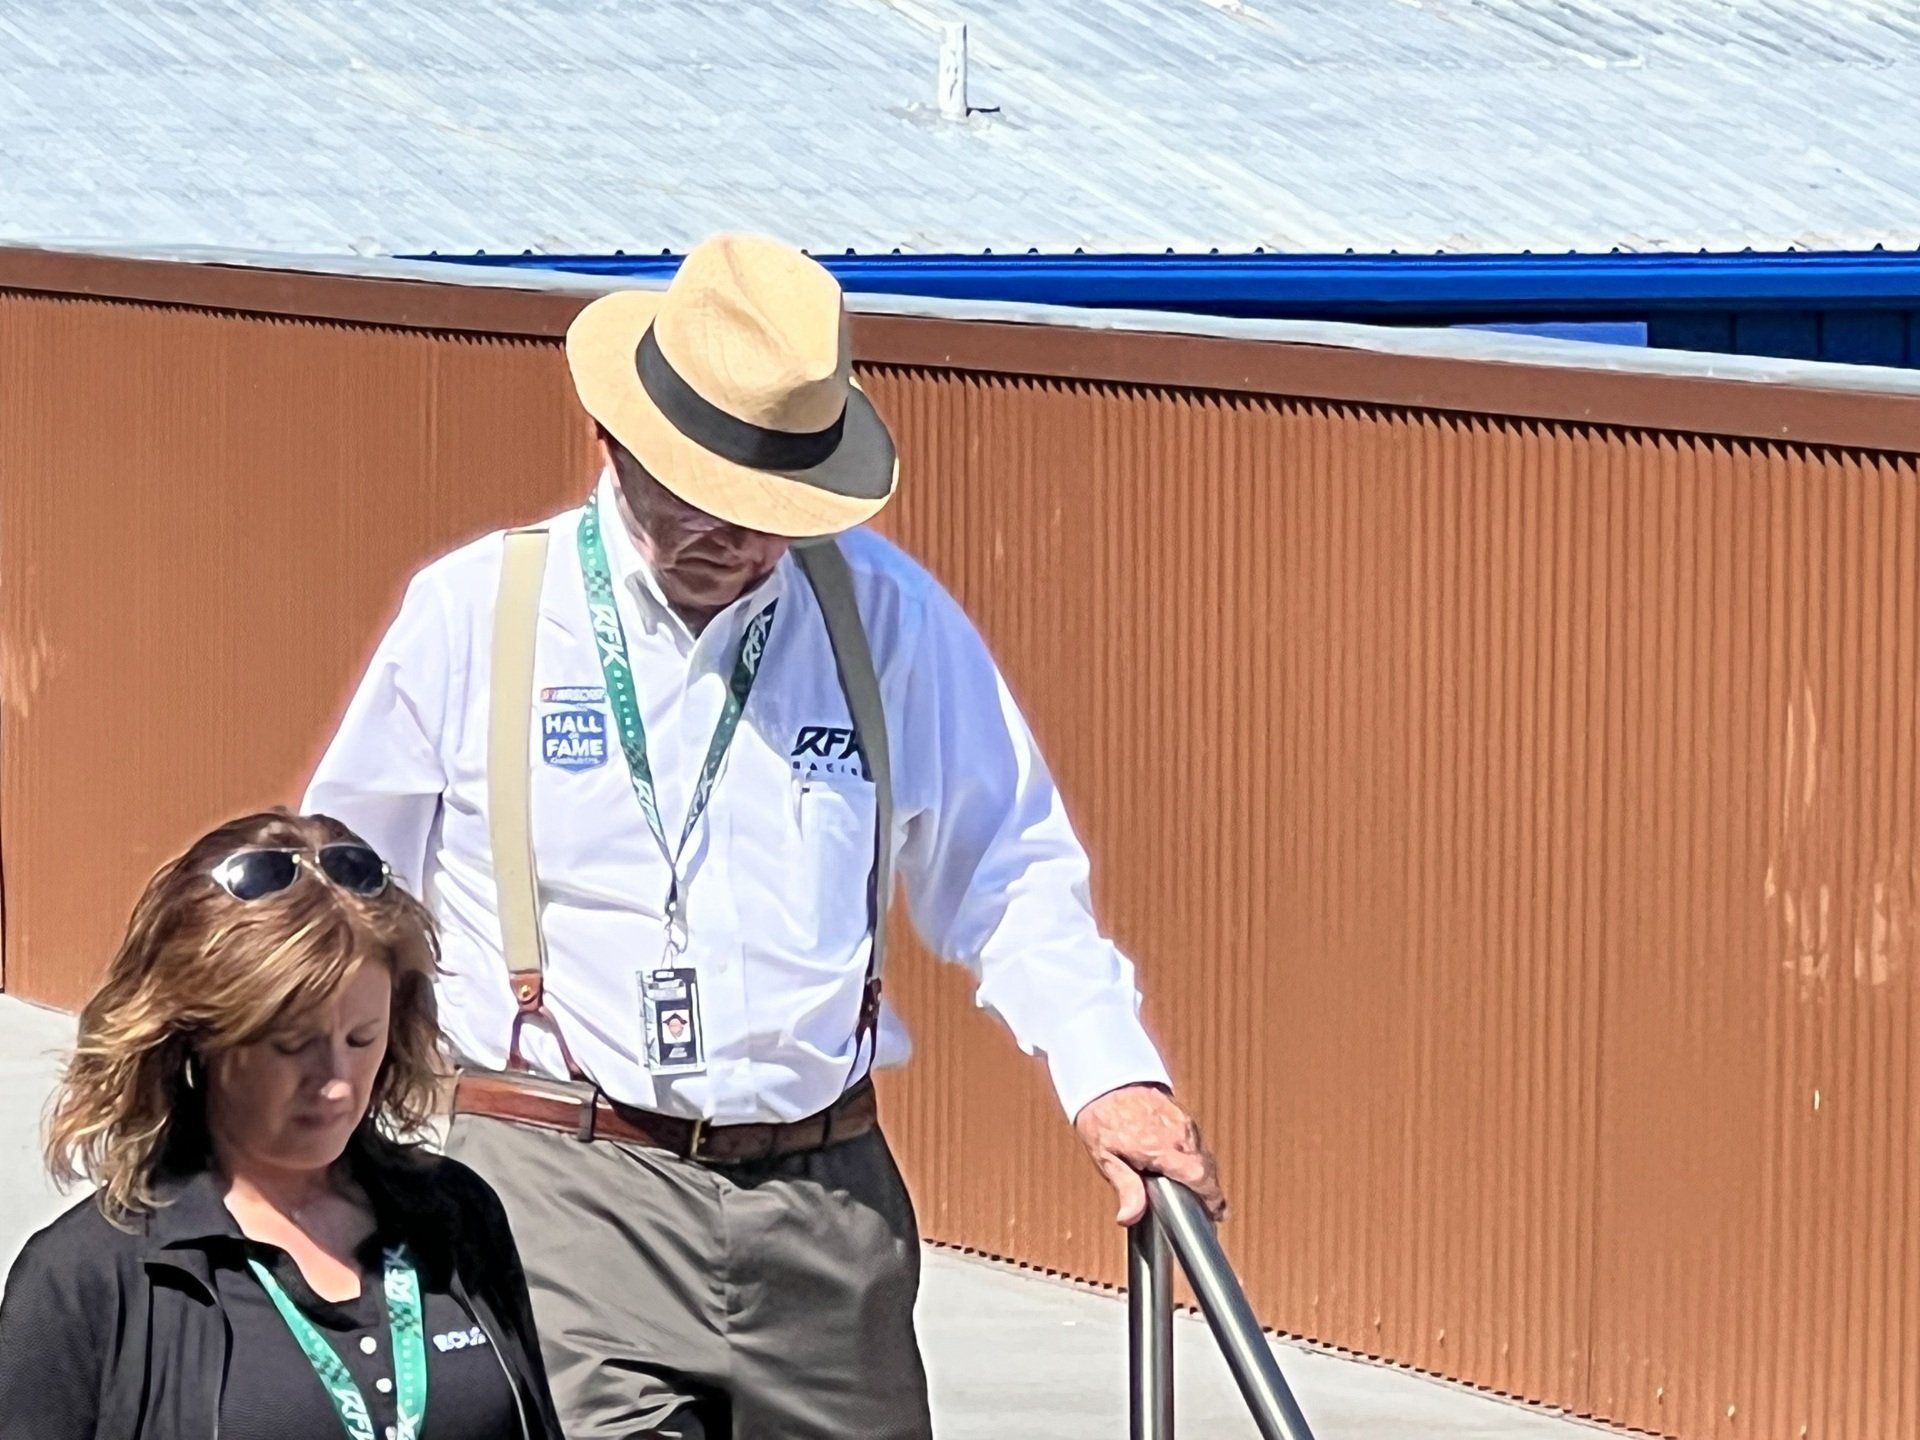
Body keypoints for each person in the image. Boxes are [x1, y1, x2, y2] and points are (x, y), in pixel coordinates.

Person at [302, 231, 1225, 1439]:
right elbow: (339, 900)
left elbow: (1007, 870)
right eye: (700, 492)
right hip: (556, 1177)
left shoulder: (885, 619)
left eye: (770, 508)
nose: (732, 537)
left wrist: (1114, 1078)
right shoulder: (481, 613)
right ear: (613, 441)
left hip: (823, 1207)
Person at [0, 811, 563, 1440]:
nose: (336, 1081)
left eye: (361, 1038)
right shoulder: (87, 1277)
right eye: (292, 1045)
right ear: (198, 1037)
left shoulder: (457, 1216)